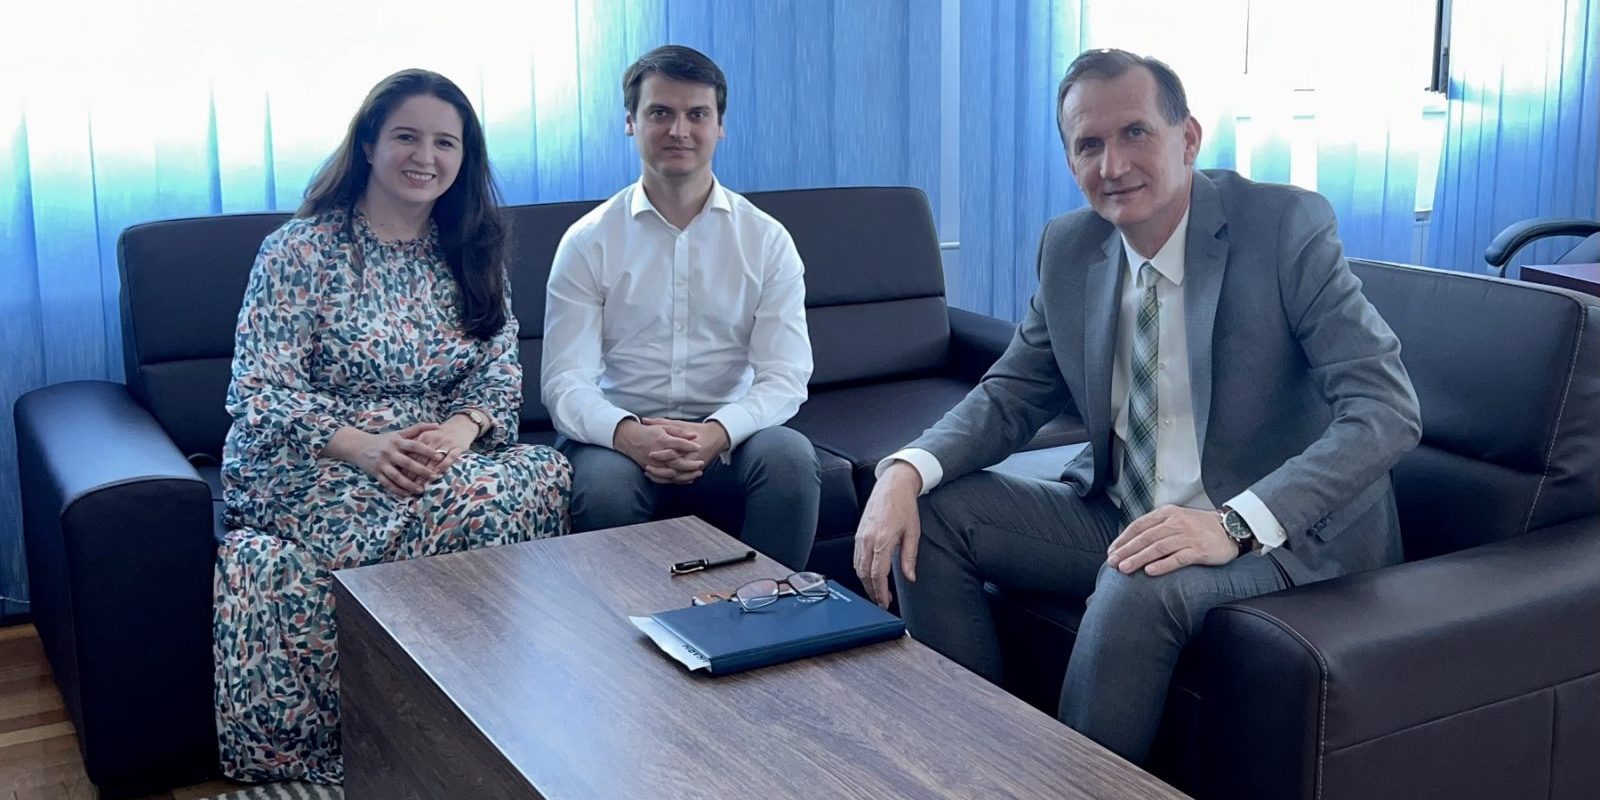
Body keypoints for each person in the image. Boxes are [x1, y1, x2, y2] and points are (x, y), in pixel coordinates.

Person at [852, 48, 1421, 763]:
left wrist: (1235, 523)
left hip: (1279, 535)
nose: (1113, 164)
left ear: (1188, 138)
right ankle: (974, 763)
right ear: (1070, 160)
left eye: (1135, 133)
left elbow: (1386, 410)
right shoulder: (1070, 248)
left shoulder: (1282, 228)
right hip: (1128, 513)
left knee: (1138, 581)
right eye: (1089, 144)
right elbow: (1011, 394)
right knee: (932, 514)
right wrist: (904, 471)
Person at [214, 68, 572, 784]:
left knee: (544, 473)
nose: (425, 157)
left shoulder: (472, 248)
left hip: (434, 449)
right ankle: (399, 732)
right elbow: (258, 390)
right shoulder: (300, 250)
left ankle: (470, 709)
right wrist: (367, 449)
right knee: (473, 505)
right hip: (311, 455)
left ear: (464, 157)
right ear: (369, 144)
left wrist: (461, 431)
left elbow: (498, 370)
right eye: (407, 136)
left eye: (446, 142)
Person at [542, 45, 820, 570]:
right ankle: (630, 621)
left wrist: (717, 432)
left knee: (789, 459)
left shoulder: (765, 239)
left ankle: (765, 610)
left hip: (729, 437)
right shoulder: (588, 241)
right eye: (660, 113)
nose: (679, 130)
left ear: (720, 126)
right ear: (630, 122)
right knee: (603, 491)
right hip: (617, 437)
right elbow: (564, 382)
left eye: (697, 114)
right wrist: (628, 434)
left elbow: (785, 375)